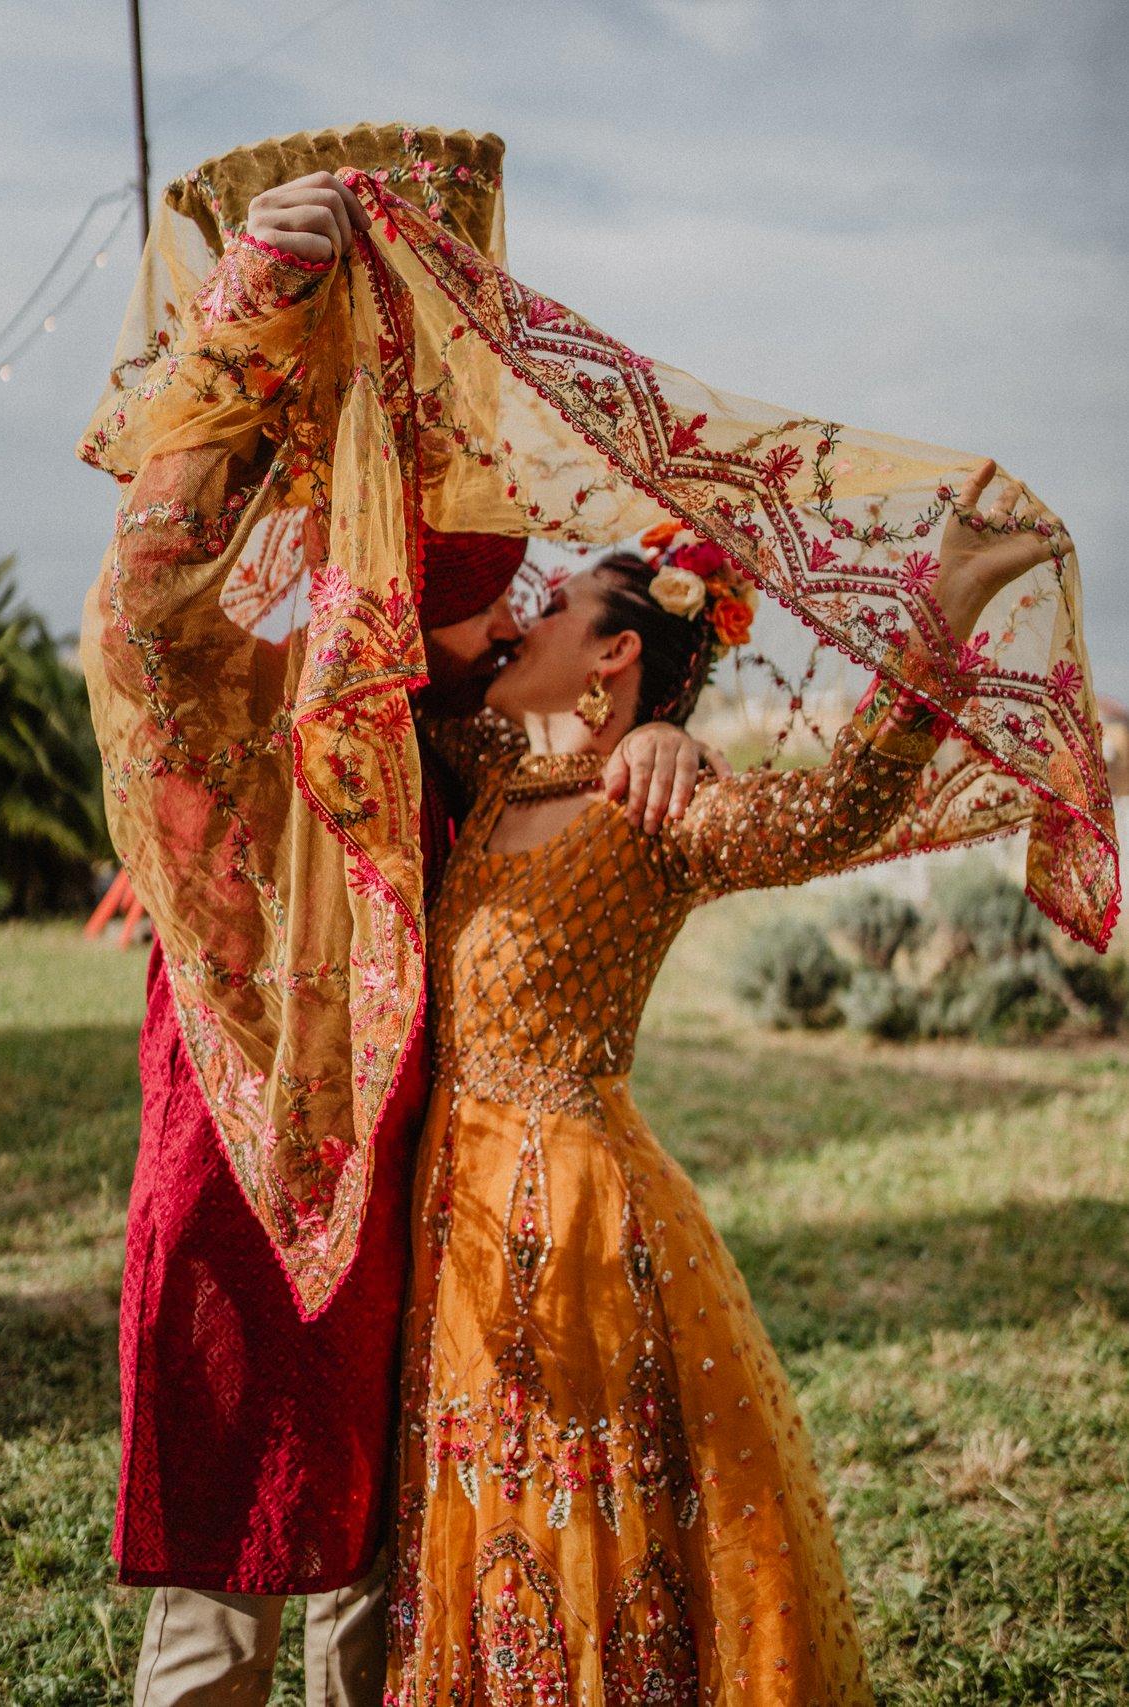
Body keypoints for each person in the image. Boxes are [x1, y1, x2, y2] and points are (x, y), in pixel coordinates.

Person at [90, 168, 725, 1707]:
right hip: (240, 1193)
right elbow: (139, 607)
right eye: (477, 605)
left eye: (508, 606)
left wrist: (678, 747)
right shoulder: (247, 709)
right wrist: (251, 305)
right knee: (217, 1614)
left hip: (414, 1225)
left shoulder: (461, 752)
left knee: (387, 1600)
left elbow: (607, 759)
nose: (504, 630)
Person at [383, 467, 1066, 1704]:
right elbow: (409, 673)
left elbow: (837, 816)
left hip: (578, 1219)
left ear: (614, 654)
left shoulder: (656, 808)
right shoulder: (494, 770)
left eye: (553, 607)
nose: (522, 618)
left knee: (585, 1521)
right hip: (456, 1216)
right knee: (490, 1511)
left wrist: (940, 606)